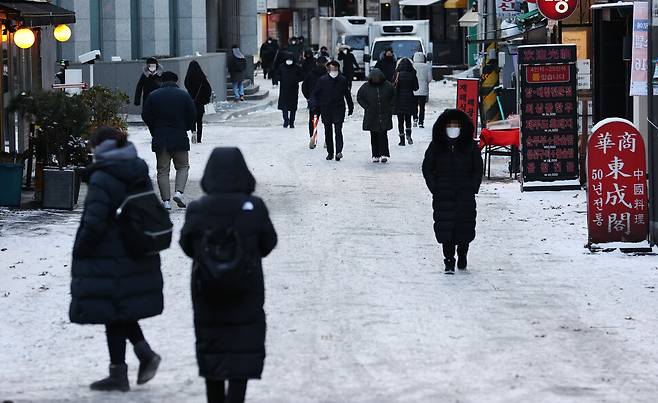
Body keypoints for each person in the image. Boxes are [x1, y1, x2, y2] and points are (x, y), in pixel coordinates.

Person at [180, 147, 277, 403]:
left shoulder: (198, 209)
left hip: (207, 291)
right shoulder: (254, 207)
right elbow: (268, 243)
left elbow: (186, 245)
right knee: (241, 352)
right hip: (246, 290)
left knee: (213, 350)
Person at [70, 127, 163, 392]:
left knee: (114, 311)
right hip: (137, 250)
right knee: (119, 309)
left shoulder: (103, 177)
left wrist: (81, 249)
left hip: (111, 254)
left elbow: (95, 221)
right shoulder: (137, 169)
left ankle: (119, 374)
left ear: (99, 148)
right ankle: (143, 355)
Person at [422, 109, 483, 274]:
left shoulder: (470, 146)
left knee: (464, 226)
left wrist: (473, 186)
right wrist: (434, 187)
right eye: (449, 125)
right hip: (443, 194)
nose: (452, 127)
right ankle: (449, 260)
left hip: (465, 194)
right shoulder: (436, 146)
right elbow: (427, 167)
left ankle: (462, 253)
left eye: (455, 125)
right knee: (445, 227)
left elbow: (478, 168)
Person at [142, 71, 196, 210]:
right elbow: (192, 114)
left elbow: (146, 115)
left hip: (161, 137)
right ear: (177, 81)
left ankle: (166, 202)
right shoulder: (184, 95)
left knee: (162, 171)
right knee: (183, 166)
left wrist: (154, 130)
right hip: (179, 136)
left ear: (162, 81)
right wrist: (187, 126)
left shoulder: (153, 96)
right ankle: (178, 192)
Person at [310, 60, 354, 161]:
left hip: (339, 108)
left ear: (338, 69)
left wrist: (350, 107)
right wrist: (314, 105)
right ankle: (330, 152)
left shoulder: (342, 80)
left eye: (335, 69)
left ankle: (339, 151)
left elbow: (347, 94)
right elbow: (315, 94)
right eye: (331, 69)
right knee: (328, 131)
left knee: (338, 130)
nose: (333, 71)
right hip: (326, 109)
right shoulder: (322, 80)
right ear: (328, 70)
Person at [357, 68, 395, 163]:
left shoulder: (388, 86)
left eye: (377, 78)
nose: (376, 79)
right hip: (371, 115)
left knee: (383, 134)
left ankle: (384, 154)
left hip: (384, 113)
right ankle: (375, 154)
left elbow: (394, 96)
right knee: (373, 135)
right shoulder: (365, 87)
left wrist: (390, 106)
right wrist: (367, 106)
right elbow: (360, 97)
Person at [302, 56, 328, 149]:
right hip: (326, 101)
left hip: (314, 101)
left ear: (316, 63)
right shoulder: (328, 74)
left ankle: (313, 138)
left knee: (314, 120)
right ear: (325, 63)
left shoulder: (311, 74)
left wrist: (308, 97)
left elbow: (304, 86)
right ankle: (327, 140)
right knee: (327, 121)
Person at [184, 60, 212, 143]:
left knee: (193, 120)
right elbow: (208, 90)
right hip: (200, 103)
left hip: (191, 102)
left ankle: (193, 132)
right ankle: (199, 138)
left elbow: (187, 86)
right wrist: (205, 98)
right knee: (199, 121)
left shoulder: (188, 78)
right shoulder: (202, 78)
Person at [393, 58, 419, 146]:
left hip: (399, 99)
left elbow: (393, 85)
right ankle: (409, 135)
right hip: (409, 99)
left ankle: (402, 140)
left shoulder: (397, 74)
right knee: (408, 119)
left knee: (400, 121)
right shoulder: (412, 74)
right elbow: (416, 88)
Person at [277, 53, 304, 128]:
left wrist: (296, 80)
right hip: (284, 89)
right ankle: (286, 120)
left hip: (293, 89)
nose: (289, 61)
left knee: (293, 107)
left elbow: (302, 76)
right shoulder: (282, 67)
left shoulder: (297, 67)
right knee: (284, 106)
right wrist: (281, 79)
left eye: (290, 60)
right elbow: (277, 75)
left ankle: (292, 122)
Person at [412, 52, 433, 128]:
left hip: (414, 89)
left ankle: (415, 118)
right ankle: (421, 122)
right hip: (423, 90)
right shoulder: (426, 66)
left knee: (414, 105)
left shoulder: (412, 66)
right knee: (422, 107)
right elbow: (429, 78)